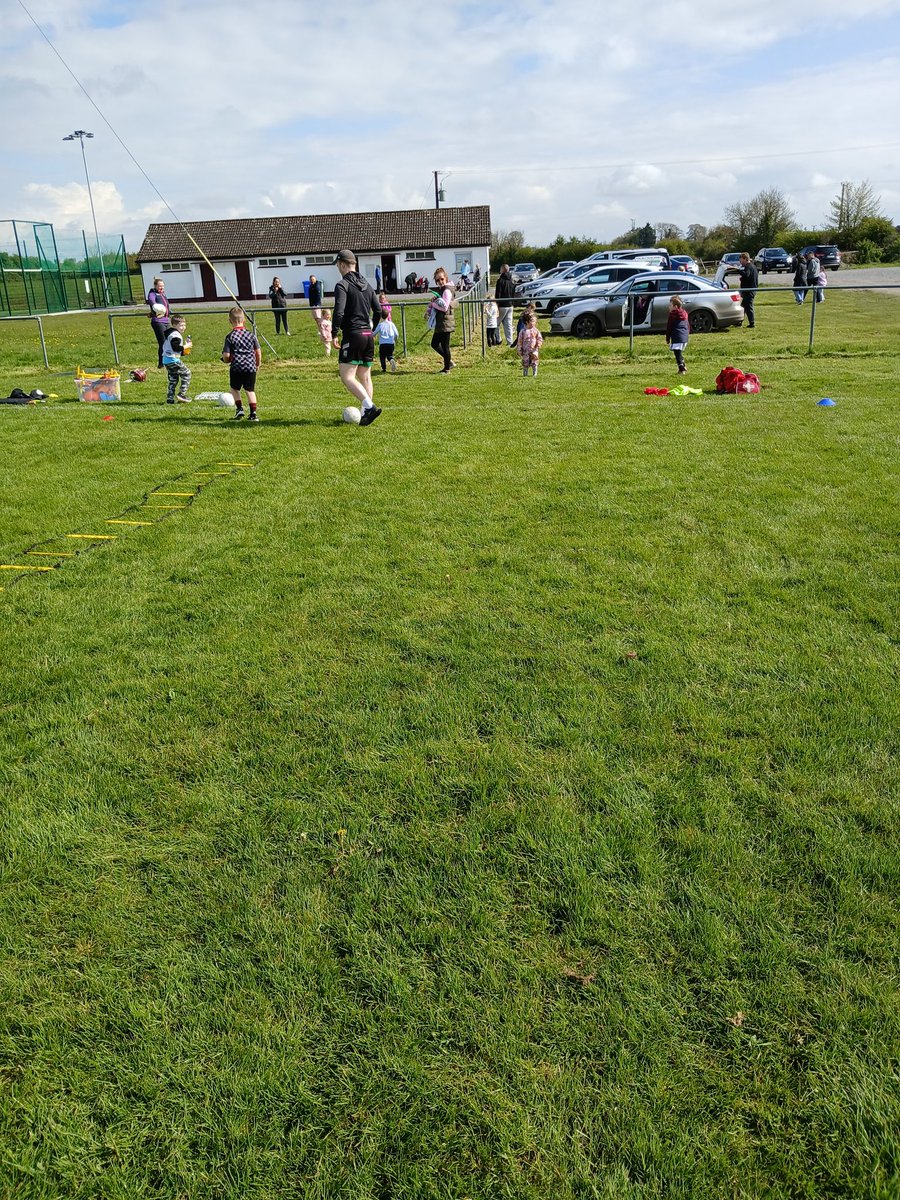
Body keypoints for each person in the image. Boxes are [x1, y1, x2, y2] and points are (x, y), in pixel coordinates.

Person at [330, 248, 383, 425]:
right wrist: (373, 328)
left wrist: (334, 332)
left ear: (343, 264)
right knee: (365, 375)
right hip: (367, 334)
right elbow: (378, 310)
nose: (338, 268)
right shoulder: (367, 285)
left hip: (353, 334)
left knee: (347, 376)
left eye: (338, 264)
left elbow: (339, 311)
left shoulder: (342, 285)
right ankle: (366, 412)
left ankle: (369, 406)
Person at [221, 306, 261, 422]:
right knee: (250, 390)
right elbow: (258, 352)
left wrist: (225, 360)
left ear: (230, 321)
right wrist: (257, 364)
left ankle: (240, 410)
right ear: (244, 320)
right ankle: (253, 414)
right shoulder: (251, 335)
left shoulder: (230, 337)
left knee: (234, 388)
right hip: (250, 367)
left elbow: (227, 355)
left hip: (236, 367)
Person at [427, 266, 456, 373]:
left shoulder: (447, 291)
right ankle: (448, 362)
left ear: (446, 278)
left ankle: (447, 367)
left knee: (443, 345)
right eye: (438, 280)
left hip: (445, 321)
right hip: (442, 321)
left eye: (442, 279)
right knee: (435, 344)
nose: (440, 282)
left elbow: (444, 307)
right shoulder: (442, 290)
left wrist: (434, 304)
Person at [161, 315, 192, 402]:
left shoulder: (170, 333)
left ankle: (170, 398)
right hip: (173, 360)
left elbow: (174, 349)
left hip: (166, 360)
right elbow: (176, 348)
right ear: (174, 325)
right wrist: (186, 346)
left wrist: (184, 351)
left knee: (173, 379)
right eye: (181, 325)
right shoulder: (176, 335)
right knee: (187, 373)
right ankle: (182, 394)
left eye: (184, 325)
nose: (183, 327)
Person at [146, 276, 170, 369]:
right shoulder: (153, 293)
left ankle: (168, 361)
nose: (162, 288)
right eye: (160, 286)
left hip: (166, 320)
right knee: (163, 343)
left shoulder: (163, 294)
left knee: (168, 342)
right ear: (155, 286)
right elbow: (151, 301)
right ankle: (161, 364)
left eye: (163, 286)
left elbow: (167, 308)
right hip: (158, 321)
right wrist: (155, 308)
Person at [665, 295, 690, 374]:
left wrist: (667, 338)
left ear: (675, 306)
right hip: (684, 336)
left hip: (677, 336)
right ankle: (684, 366)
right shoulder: (684, 313)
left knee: (677, 353)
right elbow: (687, 325)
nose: (669, 307)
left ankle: (681, 369)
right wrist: (687, 333)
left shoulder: (673, 314)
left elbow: (669, 327)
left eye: (670, 305)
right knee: (679, 352)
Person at [494, 263, 516, 346]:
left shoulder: (500, 281)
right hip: (510, 306)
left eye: (500, 269)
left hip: (502, 306)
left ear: (503, 270)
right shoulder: (512, 281)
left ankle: (498, 339)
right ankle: (510, 342)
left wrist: (496, 305)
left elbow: (498, 295)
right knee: (508, 324)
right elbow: (513, 293)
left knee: (495, 323)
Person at [516, 311, 543, 378]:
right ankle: (525, 374)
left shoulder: (536, 331)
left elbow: (539, 338)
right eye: (533, 321)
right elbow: (519, 341)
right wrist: (519, 350)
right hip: (525, 350)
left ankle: (535, 374)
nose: (534, 323)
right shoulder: (523, 331)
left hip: (534, 350)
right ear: (527, 322)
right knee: (525, 362)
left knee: (534, 361)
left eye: (535, 321)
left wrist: (539, 343)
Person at [738, 252, 758, 328]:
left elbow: (746, 274)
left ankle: (752, 323)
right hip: (752, 289)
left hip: (749, 290)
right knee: (743, 307)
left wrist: (738, 270)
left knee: (748, 307)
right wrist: (742, 279)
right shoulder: (753, 266)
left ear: (745, 259)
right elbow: (749, 277)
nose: (740, 262)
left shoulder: (748, 266)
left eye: (741, 260)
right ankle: (739, 322)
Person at [375, 308, 399, 372]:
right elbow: (396, 334)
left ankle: (384, 368)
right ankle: (391, 360)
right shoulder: (391, 324)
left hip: (383, 343)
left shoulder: (380, 325)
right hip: (390, 343)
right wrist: (395, 340)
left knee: (382, 356)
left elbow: (374, 333)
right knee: (389, 355)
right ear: (388, 315)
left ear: (381, 316)